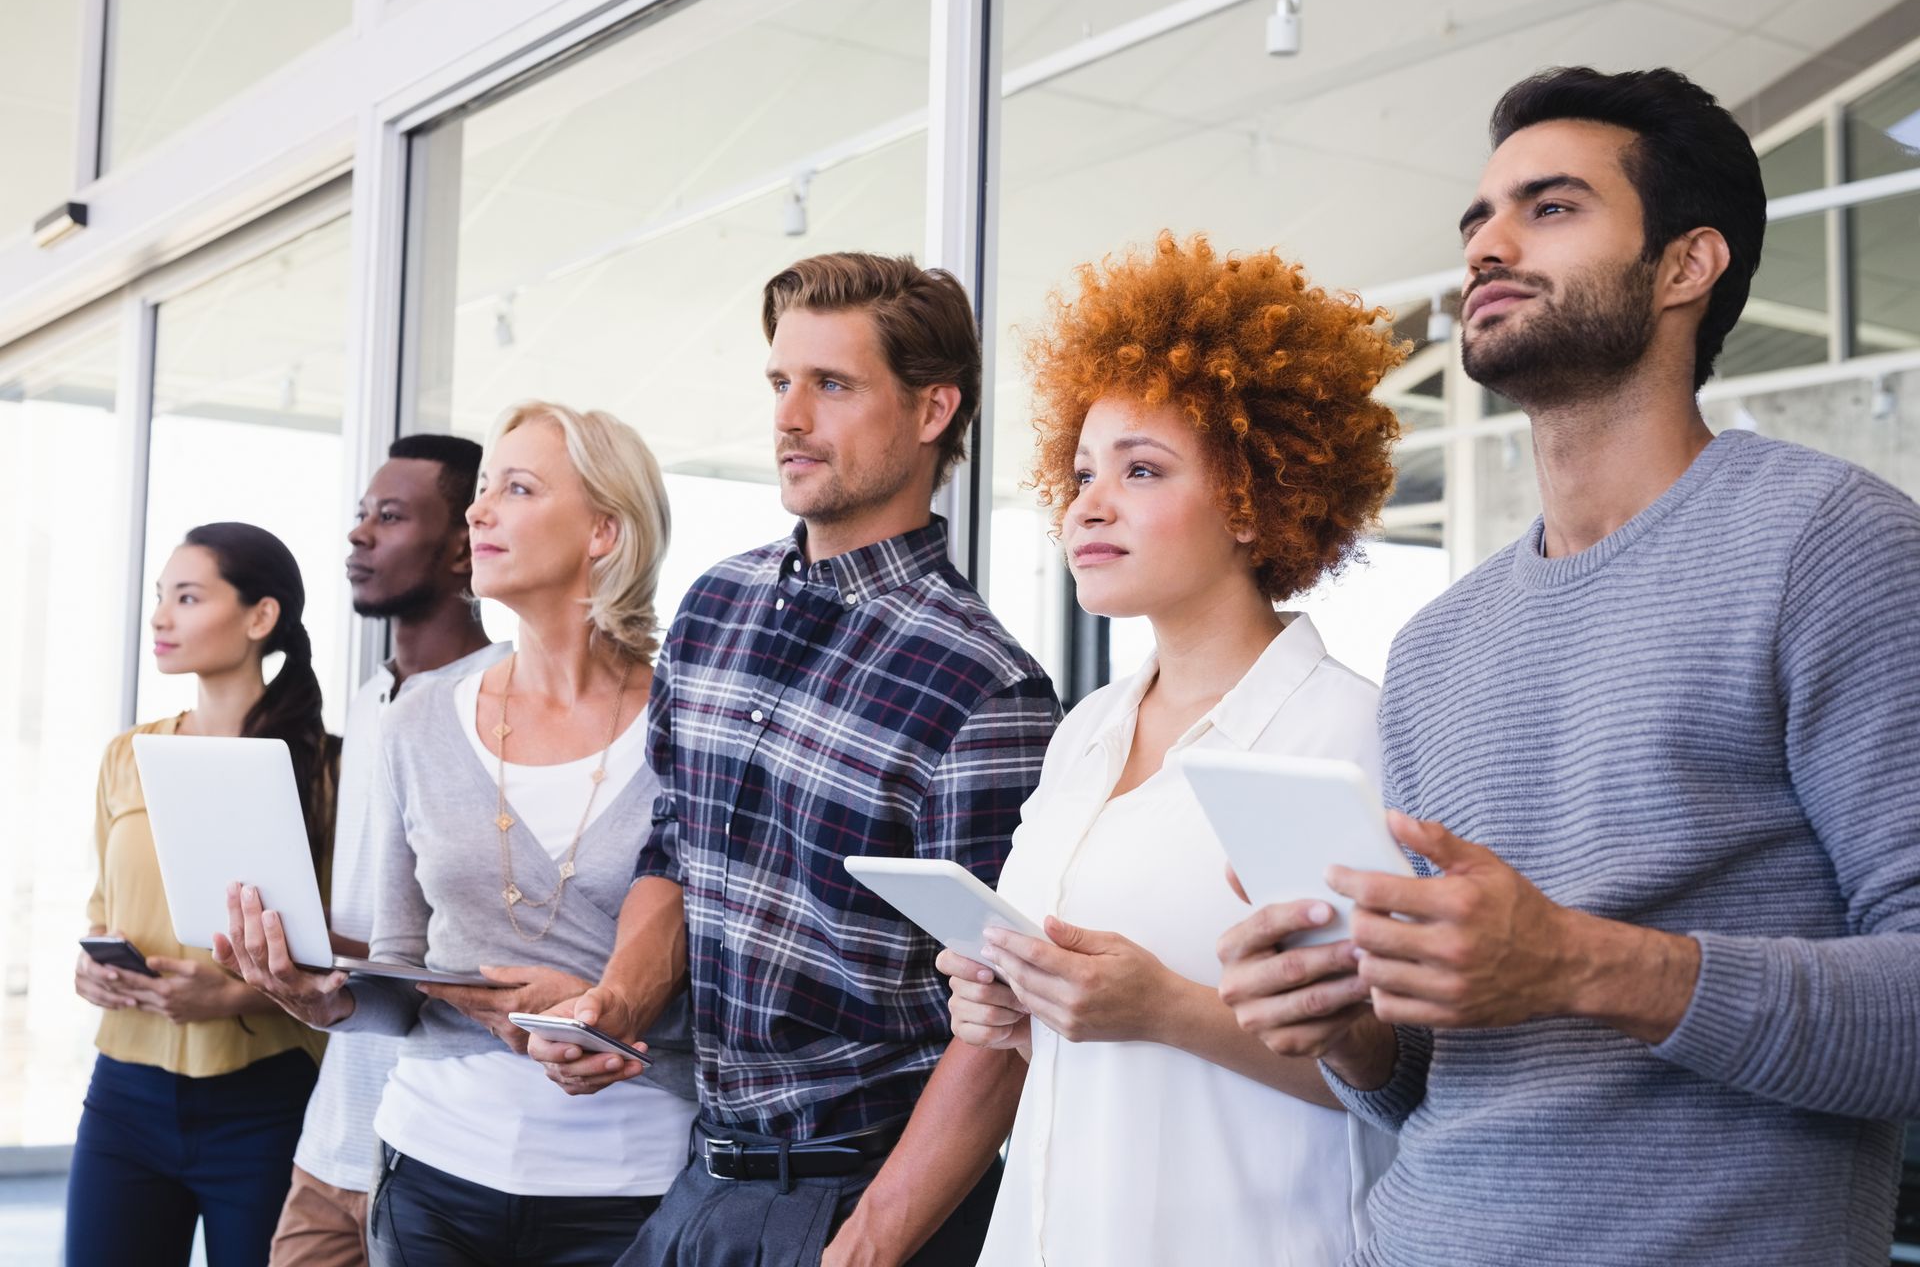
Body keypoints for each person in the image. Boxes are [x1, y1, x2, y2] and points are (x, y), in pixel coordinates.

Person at [1216, 66, 1920, 1265]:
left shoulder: (1830, 544)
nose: (1488, 243)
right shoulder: (1439, 643)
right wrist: (1347, 1025)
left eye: (1550, 208)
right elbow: (1425, 1081)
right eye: (1480, 219)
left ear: (1686, 267)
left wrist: (1581, 960)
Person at [526, 252, 1061, 1267]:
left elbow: (1001, 1011)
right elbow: (676, 849)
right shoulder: (713, 607)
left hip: (864, 1197)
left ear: (932, 408)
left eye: (833, 384)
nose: (790, 416)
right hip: (704, 1173)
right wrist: (619, 1002)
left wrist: (869, 1241)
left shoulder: (984, 686)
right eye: (781, 381)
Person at [933, 233, 1404, 1265]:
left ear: (1254, 498)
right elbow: (1072, 1004)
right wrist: (1015, 1003)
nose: (1088, 504)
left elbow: (1401, 1075)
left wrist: (1167, 1009)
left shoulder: (1347, 734)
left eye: (1141, 470)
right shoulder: (1086, 731)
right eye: (1083, 470)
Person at [220, 402, 697, 1267]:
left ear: (603, 530)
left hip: (633, 1188)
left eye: (515, 489)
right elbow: (405, 972)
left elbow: (733, 972)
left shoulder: (694, 725)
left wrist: (605, 1012)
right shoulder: (421, 722)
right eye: (482, 491)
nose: (478, 513)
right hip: (435, 1170)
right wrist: (327, 999)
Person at [68, 521, 339, 1267]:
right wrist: (90, 965)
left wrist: (231, 998)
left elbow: (347, 952)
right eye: (162, 598)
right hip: (124, 1090)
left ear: (260, 618)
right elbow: (102, 906)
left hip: (265, 1099)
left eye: (187, 597)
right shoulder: (128, 753)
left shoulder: (325, 770)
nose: (161, 617)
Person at [268, 434, 506, 1267]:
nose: (359, 535)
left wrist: (346, 956)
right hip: (331, 1136)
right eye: (361, 515)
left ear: (462, 547)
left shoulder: (505, 696)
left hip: (438, 1151)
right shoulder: (370, 700)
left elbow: (495, 940)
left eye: (391, 516)